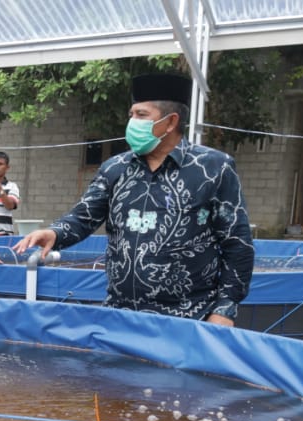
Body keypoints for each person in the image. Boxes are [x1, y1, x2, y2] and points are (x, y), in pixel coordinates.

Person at [15, 73, 253, 324]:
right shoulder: (115, 168)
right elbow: (84, 215)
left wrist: (224, 310)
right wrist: (54, 233)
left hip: (189, 317)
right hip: (120, 315)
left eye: (141, 115)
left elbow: (237, 242)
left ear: (170, 122)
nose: (132, 122)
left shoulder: (213, 168)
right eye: (131, 115)